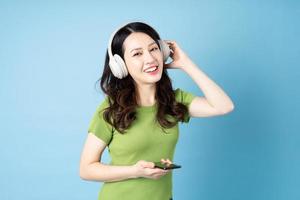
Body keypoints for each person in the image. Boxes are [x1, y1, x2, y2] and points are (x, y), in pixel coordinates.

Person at [79, 21, 235, 200]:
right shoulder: (112, 108)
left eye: (154, 49)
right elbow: (86, 168)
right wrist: (135, 171)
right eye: (137, 54)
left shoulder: (174, 101)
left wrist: (186, 65)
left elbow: (224, 106)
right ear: (120, 65)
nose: (150, 59)